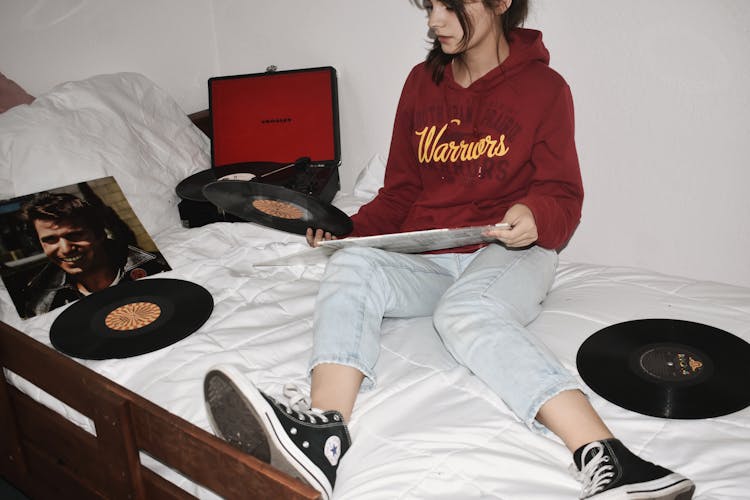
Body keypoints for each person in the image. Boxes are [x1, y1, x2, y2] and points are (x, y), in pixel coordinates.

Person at [203, 1, 695, 499]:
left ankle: (614, 459)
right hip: (430, 256)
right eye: (430, 6)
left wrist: (535, 215)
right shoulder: (422, 82)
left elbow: (563, 195)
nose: (435, 21)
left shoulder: (546, 89)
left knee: (467, 312)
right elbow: (398, 192)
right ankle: (322, 433)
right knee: (352, 263)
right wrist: (347, 231)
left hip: (509, 250)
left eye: (449, 6)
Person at [20, 191, 170, 318]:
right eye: (50, 240)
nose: (65, 249)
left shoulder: (159, 267)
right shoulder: (38, 304)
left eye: (75, 235)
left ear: (99, 234)